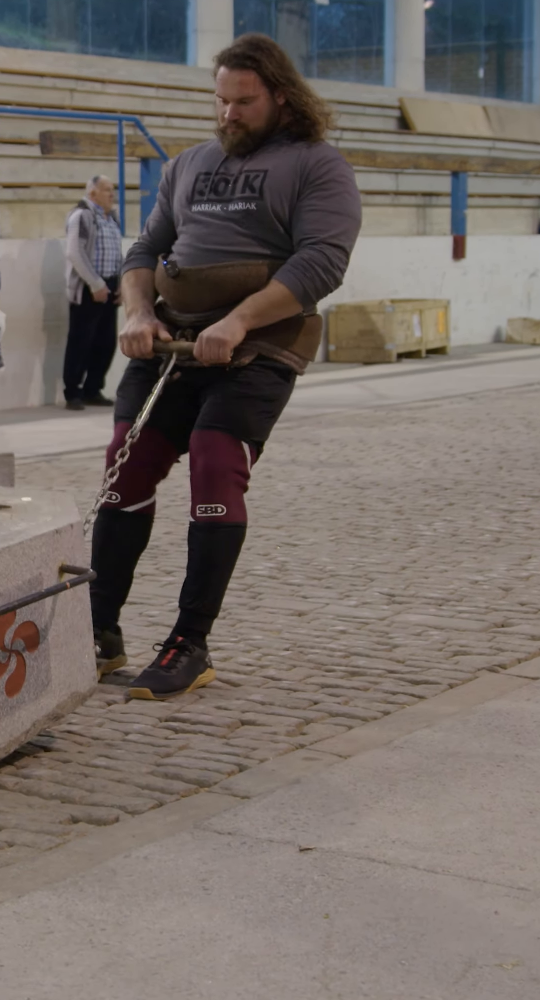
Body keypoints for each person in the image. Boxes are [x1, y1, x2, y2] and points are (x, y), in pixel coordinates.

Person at [92, 33, 360, 700]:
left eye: (243, 102)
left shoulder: (317, 166)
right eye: (220, 101)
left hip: (255, 348)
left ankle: (189, 642)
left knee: (215, 463)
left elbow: (321, 263)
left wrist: (238, 320)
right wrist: (138, 312)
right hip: (172, 343)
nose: (228, 114)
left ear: (281, 97)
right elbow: (145, 250)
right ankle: (97, 631)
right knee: (126, 463)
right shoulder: (188, 165)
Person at [63, 175, 123, 410]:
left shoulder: (112, 218)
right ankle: (73, 392)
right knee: (81, 342)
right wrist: (95, 284)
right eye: (106, 189)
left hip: (110, 285)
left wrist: (121, 283)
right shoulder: (81, 216)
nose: (112, 194)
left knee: (106, 342)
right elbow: (74, 252)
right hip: (88, 288)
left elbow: (117, 252)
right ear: (92, 193)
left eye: (112, 189)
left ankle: (93, 389)